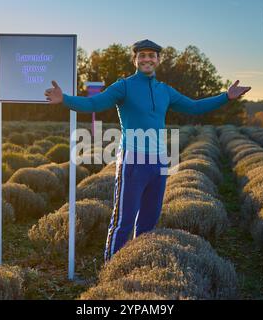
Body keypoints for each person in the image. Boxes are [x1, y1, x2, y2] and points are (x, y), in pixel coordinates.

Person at [45, 39, 251, 263]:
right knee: (123, 221)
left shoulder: (165, 91)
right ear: (135, 60)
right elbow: (94, 104)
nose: (147, 59)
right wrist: (64, 99)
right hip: (132, 162)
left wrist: (226, 97)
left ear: (158, 60)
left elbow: (194, 107)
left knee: (148, 221)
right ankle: (111, 269)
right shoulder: (123, 86)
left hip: (160, 163)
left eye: (151, 56)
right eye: (142, 55)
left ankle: (136, 264)